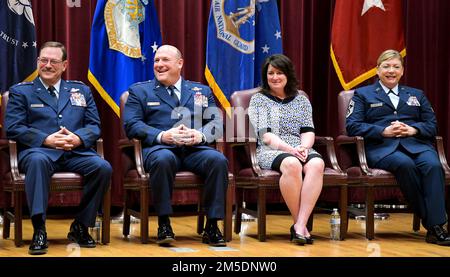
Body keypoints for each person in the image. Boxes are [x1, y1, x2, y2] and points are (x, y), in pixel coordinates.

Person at [5, 41, 112, 255]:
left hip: (75, 151)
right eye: (43, 60)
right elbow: (13, 127)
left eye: (54, 61)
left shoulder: (81, 90)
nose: (47, 65)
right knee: (37, 162)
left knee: (103, 167)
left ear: (64, 65)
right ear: (37, 62)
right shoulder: (21, 92)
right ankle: (39, 229)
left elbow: (94, 126)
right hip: (38, 151)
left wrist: (77, 138)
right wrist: (46, 139)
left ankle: (81, 226)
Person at [123, 45, 228, 247]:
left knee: (218, 160)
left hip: (194, 149)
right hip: (159, 149)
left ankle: (213, 225)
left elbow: (217, 124)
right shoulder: (139, 91)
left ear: (179, 63)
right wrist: (163, 135)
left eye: (165, 60)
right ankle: (164, 223)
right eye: (156, 61)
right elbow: (132, 124)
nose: (159, 65)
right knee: (164, 159)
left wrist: (200, 135)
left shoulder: (201, 91)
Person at [346, 49, 450, 246]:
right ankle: (436, 226)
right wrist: (382, 131)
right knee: (405, 164)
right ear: (377, 70)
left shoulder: (417, 94)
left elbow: (432, 125)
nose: (391, 71)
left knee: (434, 166)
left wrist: (413, 130)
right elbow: (352, 125)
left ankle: (434, 226)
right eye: (386, 66)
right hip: (381, 148)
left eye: (396, 66)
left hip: (416, 145)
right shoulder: (362, 94)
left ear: (402, 71)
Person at [248, 54, 325, 245]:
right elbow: (265, 136)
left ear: (288, 74)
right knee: (291, 164)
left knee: (317, 164)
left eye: (279, 73)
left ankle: (299, 225)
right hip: (271, 148)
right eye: (271, 73)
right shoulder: (259, 100)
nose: (275, 77)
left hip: (299, 147)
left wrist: (304, 147)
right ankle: (299, 225)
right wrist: (290, 149)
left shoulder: (301, 99)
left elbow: (308, 131)